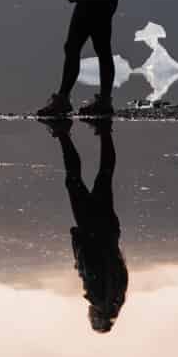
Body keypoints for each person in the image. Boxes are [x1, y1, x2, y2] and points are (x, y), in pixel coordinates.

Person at [49, 117, 127, 333]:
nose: (89, 315)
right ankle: (63, 135)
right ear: (97, 316)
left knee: (104, 176)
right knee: (73, 180)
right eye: (92, 319)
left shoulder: (119, 293)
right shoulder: (98, 294)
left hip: (110, 230)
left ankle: (105, 132)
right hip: (92, 228)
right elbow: (88, 261)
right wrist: (77, 239)